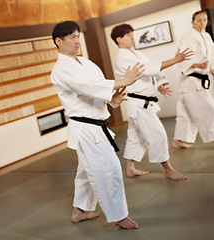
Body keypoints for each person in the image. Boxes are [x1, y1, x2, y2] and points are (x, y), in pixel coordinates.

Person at [51, 21, 144, 229]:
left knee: (86, 171)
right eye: (72, 37)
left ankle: (79, 211)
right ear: (59, 41)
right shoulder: (61, 69)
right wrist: (122, 81)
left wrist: (113, 98)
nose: (77, 41)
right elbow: (87, 87)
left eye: (78, 36)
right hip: (86, 128)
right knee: (108, 170)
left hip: (97, 124)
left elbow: (97, 88)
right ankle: (119, 215)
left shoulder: (85, 63)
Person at [111, 24, 190, 180]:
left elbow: (153, 69)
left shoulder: (137, 53)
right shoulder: (122, 58)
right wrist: (175, 60)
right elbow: (148, 69)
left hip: (142, 102)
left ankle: (130, 168)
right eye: (128, 35)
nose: (132, 37)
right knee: (158, 134)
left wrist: (159, 84)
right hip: (138, 103)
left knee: (136, 136)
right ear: (119, 39)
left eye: (132, 34)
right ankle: (168, 169)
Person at [172, 10, 214, 148]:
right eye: (199, 20)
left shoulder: (207, 36)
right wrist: (197, 65)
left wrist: (211, 69)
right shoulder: (187, 38)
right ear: (192, 22)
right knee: (209, 108)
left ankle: (178, 140)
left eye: (205, 20)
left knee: (186, 112)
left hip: (200, 80)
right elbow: (181, 59)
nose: (203, 23)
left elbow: (211, 56)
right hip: (191, 81)